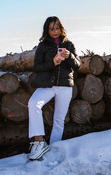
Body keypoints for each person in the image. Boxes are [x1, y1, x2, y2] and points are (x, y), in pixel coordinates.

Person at [27, 16, 81, 160]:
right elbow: (37, 67)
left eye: (57, 28)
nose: (55, 31)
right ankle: (39, 142)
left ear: (61, 28)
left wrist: (69, 56)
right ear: (47, 30)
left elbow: (78, 65)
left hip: (65, 86)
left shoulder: (69, 45)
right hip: (48, 85)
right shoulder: (43, 46)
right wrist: (53, 63)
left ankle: (54, 149)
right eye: (52, 29)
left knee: (59, 120)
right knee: (33, 104)